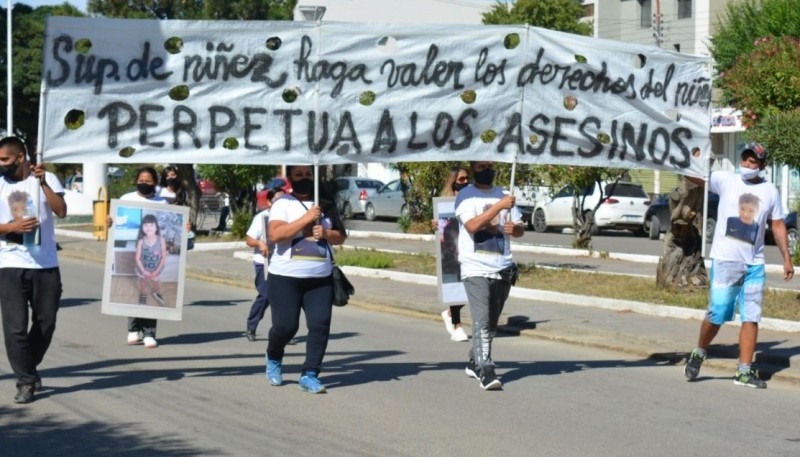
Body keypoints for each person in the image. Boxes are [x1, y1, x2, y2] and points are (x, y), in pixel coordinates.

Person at [684, 142, 794, 388]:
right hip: (726, 260)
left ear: (761, 165)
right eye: (745, 159)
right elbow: (693, 174)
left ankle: (744, 371)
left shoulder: (770, 191)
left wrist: (787, 256)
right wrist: (692, 153)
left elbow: (777, 225)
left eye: (753, 161)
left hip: (754, 264)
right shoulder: (726, 180)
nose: (747, 164)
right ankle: (700, 351)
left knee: (751, 316)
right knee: (717, 313)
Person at [265, 165, 346, 394]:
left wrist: (327, 234)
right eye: (299, 175)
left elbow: (341, 236)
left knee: (320, 326)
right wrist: (307, 219)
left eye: (309, 174)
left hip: (320, 278)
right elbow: (275, 235)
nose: (304, 179)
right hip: (285, 277)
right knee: (285, 327)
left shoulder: (326, 203)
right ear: (290, 178)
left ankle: (310, 374)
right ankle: (273, 356)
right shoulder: (283, 203)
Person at [0, 136, 67, 403]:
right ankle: (26, 381)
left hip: (45, 264)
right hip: (10, 264)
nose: (0, 164)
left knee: (46, 322)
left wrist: (43, 183)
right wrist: (11, 229)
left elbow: (61, 211)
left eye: (4, 159)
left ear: (20, 157)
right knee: (15, 328)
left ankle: (28, 365)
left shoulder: (45, 179)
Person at [455, 161, 524, 390]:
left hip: (502, 267)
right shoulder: (466, 195)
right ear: (474, 169)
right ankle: (486, 370)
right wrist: (498, 207)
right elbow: (472, 226)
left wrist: (516, 229)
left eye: (490, 166)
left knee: (491, 325)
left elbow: (520, 228)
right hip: (475, 268)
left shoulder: (505, 194)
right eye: (482, 167)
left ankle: (474, 361)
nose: (487, 170)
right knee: (482, 322)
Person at [112, 167, 168, 349]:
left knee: (151, 291)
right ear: (136, 181)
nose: (144, 184)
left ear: (155, 183)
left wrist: (186, 228)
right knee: (133, 289)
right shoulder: (126, 199)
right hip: (130, 251)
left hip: (153, 253)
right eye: (141, 180)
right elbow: (116, 222)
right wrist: (109, 222)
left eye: (148, 181)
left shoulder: (164, 203)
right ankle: (133, 329)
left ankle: (150, 332)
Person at [243, 185, 285, 341]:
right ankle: (251, 326)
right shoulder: (261, 218)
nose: (281, 202)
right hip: (264, 262)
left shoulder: (288, 217)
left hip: (283, 263)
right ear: (269, 202)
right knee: (266, 295)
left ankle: (282, 331)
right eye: (277, 199)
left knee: (283, 298)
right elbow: (249, 239)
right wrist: (260, 244)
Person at [435, 166, 471, 342]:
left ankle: (449, 313)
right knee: (457, 287)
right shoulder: (446, 203)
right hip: (455, 246)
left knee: (474, 288)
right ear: (453, 182)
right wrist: (436, 223)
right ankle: (457, 325)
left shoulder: (472, 198)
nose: (465, 182)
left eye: (467, 179)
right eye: (461, 179)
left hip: (472, 249)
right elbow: (441, 225)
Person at [135, 214, 168, 308]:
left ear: (156, 227)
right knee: (142, 283)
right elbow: (137, 258)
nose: (148, 227)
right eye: (145, 225)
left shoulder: (161, 240)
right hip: (143, 268)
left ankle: (157, 293)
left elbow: (163, 258)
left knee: (156, 283)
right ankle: (142, 295)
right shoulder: (141, 241)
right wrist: (144, 271)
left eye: (151, 225)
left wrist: (156, 271)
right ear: (142, 228)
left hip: (156, 268)